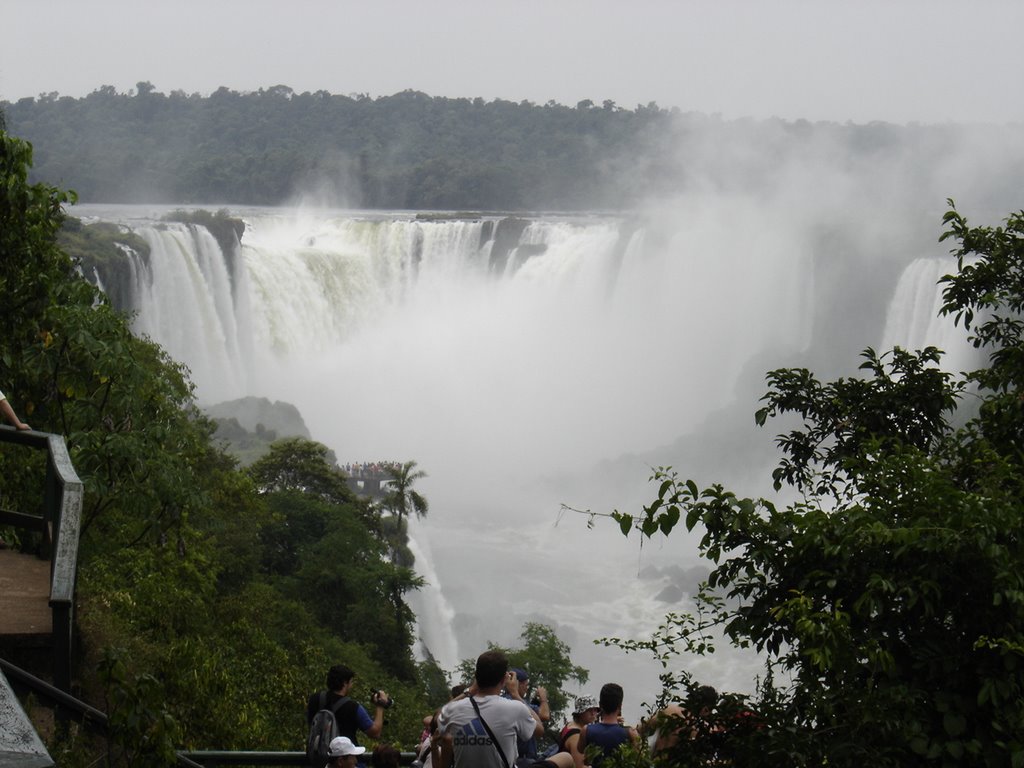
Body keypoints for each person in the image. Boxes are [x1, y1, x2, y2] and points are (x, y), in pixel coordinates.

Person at [435, 650, 572, 768]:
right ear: (504, 679)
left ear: (476, 677)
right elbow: (539, 730)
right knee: (566, 758)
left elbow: (436, 719)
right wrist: (516, 695)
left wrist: (470, 690)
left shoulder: (454, 710)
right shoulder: (515, 708)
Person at [307, 664, 391, 748]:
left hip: (318, 756)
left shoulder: (315, 699)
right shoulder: (353, 707)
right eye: (351, 682)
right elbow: (375, 733)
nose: (351, 686)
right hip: (344, 757)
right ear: (345, 683)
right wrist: (380, 706)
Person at [577, 684, 638, 768]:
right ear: (620, 706)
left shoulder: (586, 730)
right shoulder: (630, 733)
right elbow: (638, 759)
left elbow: (580, 749)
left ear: (600, 705)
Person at [508, 668, 549, 760]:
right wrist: (543, 698)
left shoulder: (501, 700)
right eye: (525, 685)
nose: (526, 688)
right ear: (517, 684)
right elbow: (544, 715)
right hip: (522, 759)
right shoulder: (520, 703)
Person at [559, 695, 599, 768]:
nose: (593, 713)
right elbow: (579, 766)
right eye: (589, 710)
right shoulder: (576, 735)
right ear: (580, 713)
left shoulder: (571, 724)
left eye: (595, 710)